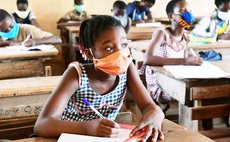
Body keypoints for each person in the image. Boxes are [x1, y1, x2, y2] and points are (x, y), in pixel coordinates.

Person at [34, 15, 164, 142]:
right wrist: (86, 127)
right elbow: (42, 125)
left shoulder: (128, 69)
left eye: (124, 45)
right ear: (90, 53)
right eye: (109, 48)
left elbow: (149, 106)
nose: (120, 54)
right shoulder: (76, 75)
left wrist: (155, 115)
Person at [139, 0, 203, 112]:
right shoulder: (162, 34)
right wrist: (184, 61)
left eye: (190, 11)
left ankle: (200, 122)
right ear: (171, 16)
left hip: (175, 77)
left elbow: (183, 61)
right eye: (183, 11)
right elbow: (147, 59)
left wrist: (193, 61)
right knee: (192, 93)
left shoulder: (185, 36)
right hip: (159, 81)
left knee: (199, 91)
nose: (188, 14)